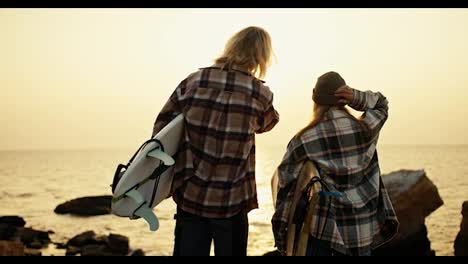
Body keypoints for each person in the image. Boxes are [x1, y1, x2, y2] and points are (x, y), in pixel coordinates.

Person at [152, 26, 280, 256]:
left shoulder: (194, 81)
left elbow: (161, 128)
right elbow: (268, 123)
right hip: (232, 200)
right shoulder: (260, 94)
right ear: (262, 56)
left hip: (191, 194)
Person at [271, 71, 399, 256]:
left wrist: (281, 231)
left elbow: (284, 183)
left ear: (314, 97)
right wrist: (356, 97)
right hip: (360, 232)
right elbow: (381, 104)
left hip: (325, 234)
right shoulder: (365, 129)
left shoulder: (303, 140)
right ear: (343, 98)